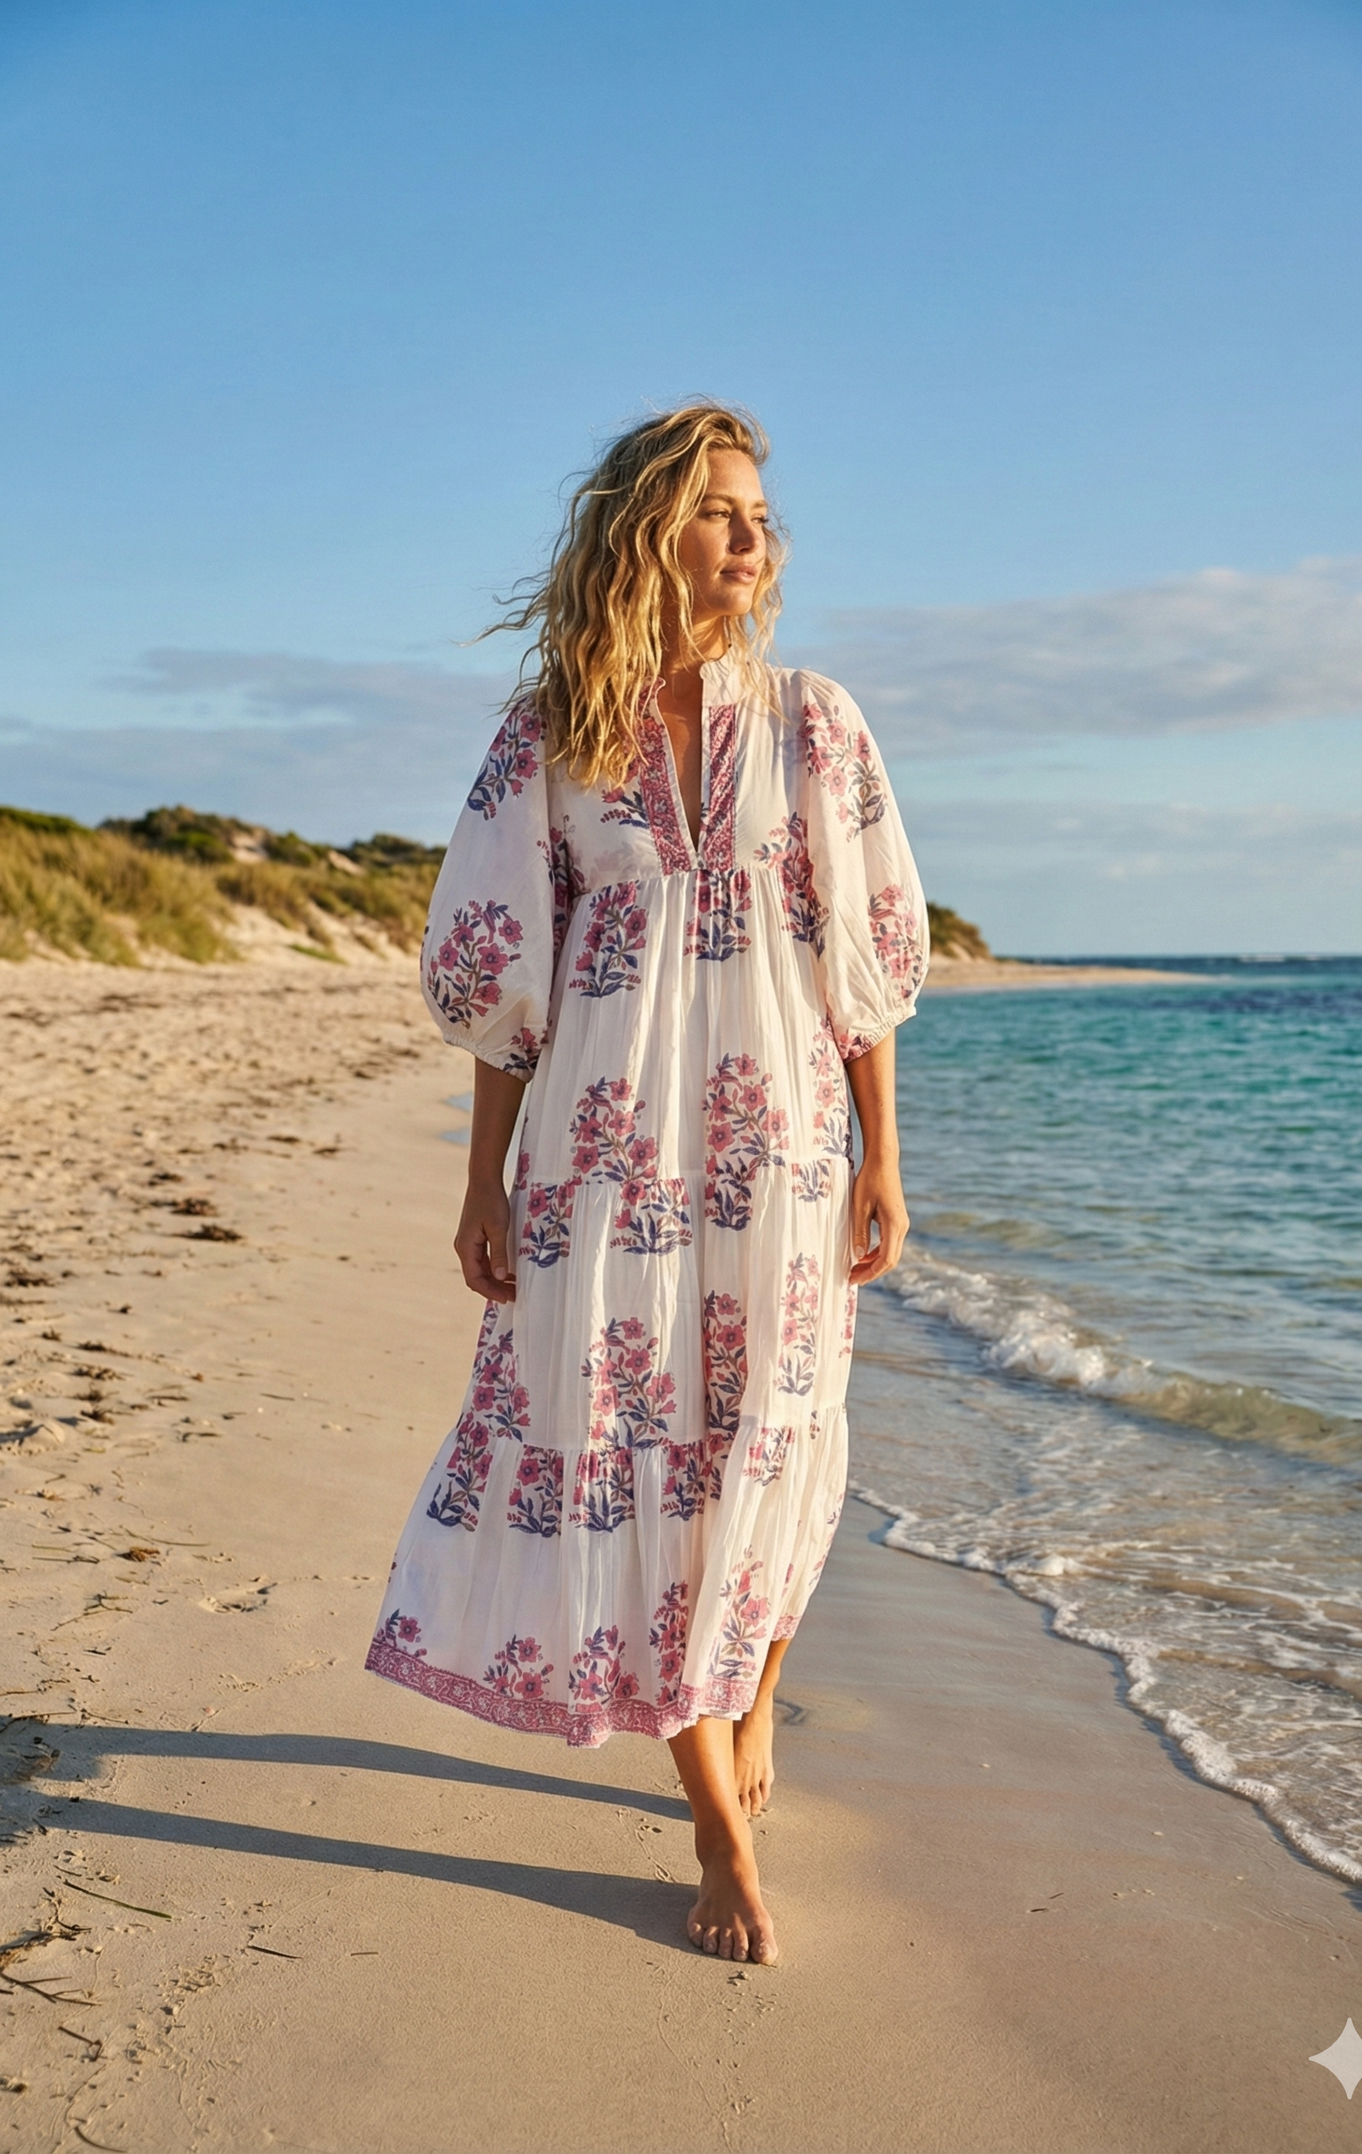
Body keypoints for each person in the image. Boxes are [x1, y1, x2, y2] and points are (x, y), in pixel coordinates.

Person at [366, 404, 929, 1965]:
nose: (756, 540)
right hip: (605, 1152)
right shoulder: (554, 734)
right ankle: (716, 1820)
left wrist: (886, 1153)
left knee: (772, 1429)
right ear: (647, 531)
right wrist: (483, 1185)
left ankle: (747, 1683)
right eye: (722, 513)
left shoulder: (817, 721)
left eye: (762, 515)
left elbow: (859, 962)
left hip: (780, 1142)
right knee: (627, 1439)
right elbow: (506, 990)